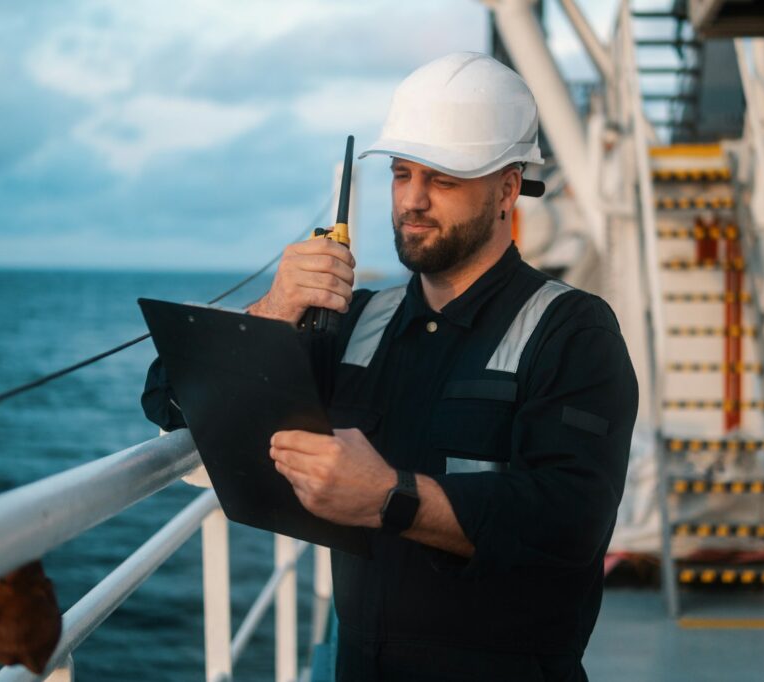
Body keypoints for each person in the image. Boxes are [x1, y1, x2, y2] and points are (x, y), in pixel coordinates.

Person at [142, 52, 637, 682]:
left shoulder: (573, 330)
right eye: (402, 174)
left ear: (509, 189)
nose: (414, 200)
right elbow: (170, 397)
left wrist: (388, 498)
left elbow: (571, 520)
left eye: (445, 178)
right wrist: (274, 308)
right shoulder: (355, 322)